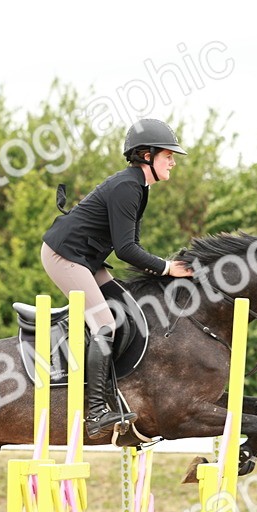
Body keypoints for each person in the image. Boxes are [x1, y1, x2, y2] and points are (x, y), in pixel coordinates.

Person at [41, 118, 194, 437]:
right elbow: (126, 250)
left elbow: (132, 246)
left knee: (130, 310)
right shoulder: (128, 187)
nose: (174, 162)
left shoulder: (138, 187)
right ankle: (95, 410)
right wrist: (167, 268)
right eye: (169, 155)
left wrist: (164, 269)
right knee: (105, 323)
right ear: (147, 156)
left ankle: (117, 389)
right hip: (64, 256)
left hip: (87, 258)